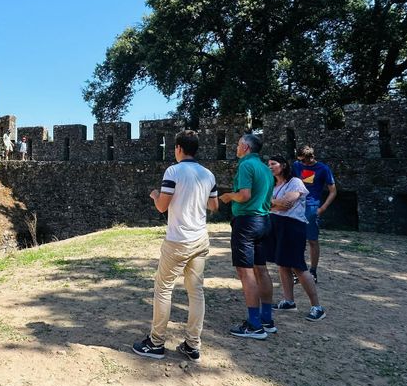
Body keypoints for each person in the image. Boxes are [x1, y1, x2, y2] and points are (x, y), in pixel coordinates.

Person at [133, 130, 218, 362]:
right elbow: (214, 206)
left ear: (179, 148)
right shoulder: (208, 174)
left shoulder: (173, 171)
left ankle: (156, 342)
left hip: (178, 240)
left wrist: (154, 195)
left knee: (163, 289)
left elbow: (162, 206)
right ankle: (192, 344)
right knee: (196, 291)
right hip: (200, 239)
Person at [218, 133, 274, 340]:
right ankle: (267, 319)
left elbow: (244, 195)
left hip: (247, 222)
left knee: (246, 272)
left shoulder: (245, 165)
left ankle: (254, 325)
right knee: (261, 269)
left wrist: (228, 196)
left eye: (238, 144)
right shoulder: (265, 169)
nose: (236, 147)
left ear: (245, 147)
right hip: (264, 220)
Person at [267, 155, 326, 322]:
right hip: (277, 224)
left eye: (273, 164)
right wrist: (273, 203)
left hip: (293, 226)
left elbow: (287, 204)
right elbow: (274, 204)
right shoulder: (274, 184)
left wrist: (270, 202)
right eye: (268, 164)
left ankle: (317, 307)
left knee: (298, 266)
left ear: (283, 165)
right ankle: (288, 301)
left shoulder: (295, 182)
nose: (270, 167)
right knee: (282, 264)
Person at [292, 145, 337, 282]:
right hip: (296, 205)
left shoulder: (323, 169)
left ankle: (313, 272)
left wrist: (322, 209)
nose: (302, 163)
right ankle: (298, 270)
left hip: (311, 207)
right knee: (296, 240)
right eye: (300, 161)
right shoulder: (297, 165)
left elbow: (333, 191)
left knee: (312, 240)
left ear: (311, 157)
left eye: (304, 161)